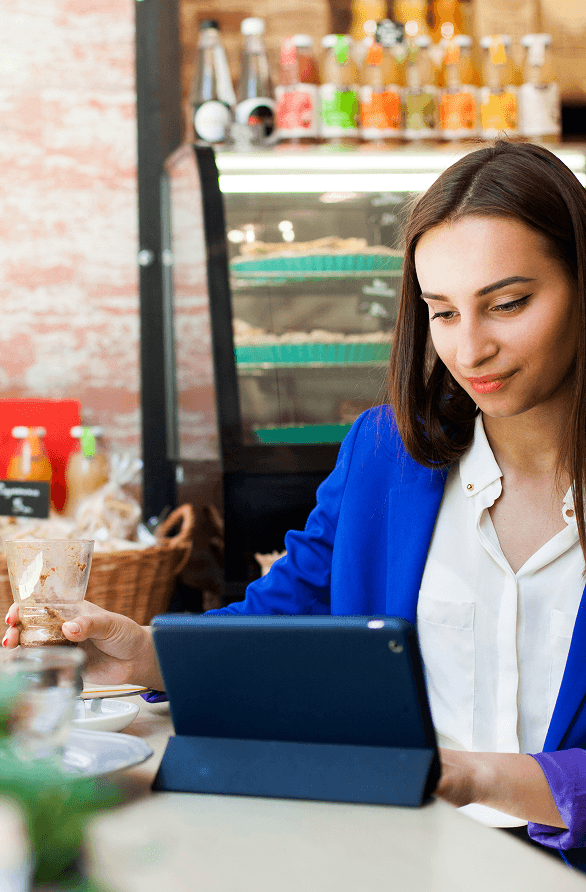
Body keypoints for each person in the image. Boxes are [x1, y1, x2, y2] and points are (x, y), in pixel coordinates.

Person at [4, 139, 586, 868]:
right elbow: (283, 622)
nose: (470, 349)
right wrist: (142, 653)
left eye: (508, 304)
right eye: (442, 312)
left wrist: (481, 775)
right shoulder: (383, 456)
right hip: (401, 858)